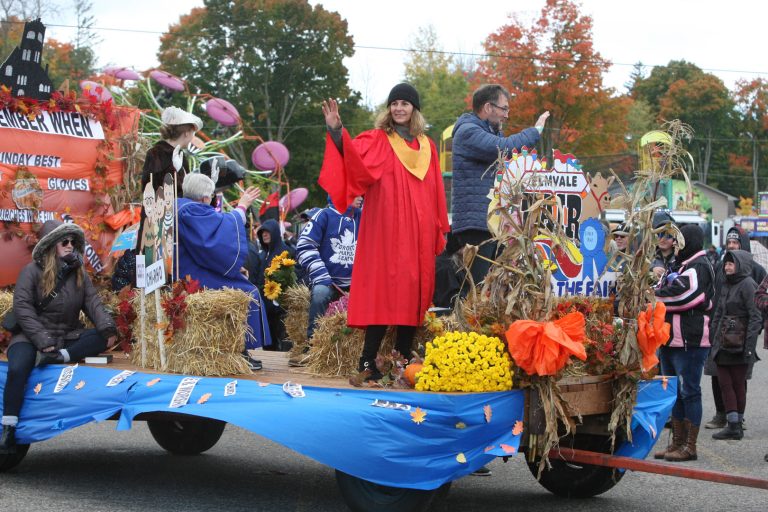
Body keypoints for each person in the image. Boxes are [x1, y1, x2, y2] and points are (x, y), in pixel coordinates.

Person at [319, 83, 450, 380]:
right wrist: (337, 132)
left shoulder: (427, 146)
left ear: (414, 110)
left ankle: (400, 363)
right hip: (385, 230)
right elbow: (351, 157)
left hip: (418, 233)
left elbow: (436, 191)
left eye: (405, 103)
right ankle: (368, 363)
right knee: (382, 291)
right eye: (394, 103)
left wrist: (438, 226)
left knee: (413, 294)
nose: (399, 108)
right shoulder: (379, 139)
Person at [0, 220, 116, 454]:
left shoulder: (79, 272)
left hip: (66, 338)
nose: (70, 245)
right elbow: (23, 309)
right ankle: (8, 427)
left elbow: (93, 303)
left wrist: (108, 328)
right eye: (65, 241)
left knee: (100, 338)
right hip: (31, 337)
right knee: (17, 368)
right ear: (52, 244)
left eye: (73, 241)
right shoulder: (31, 272)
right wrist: (44, 342)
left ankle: (60, 357)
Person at [450, 84, 549, 287]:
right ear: (488, 107)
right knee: (478, 288)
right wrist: (535, 130)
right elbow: (505, 149)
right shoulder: (468, 132)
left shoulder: (486, 133)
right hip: (477, 225)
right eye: (504, 108)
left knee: (489, 288)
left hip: (489, 224)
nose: (507, 115)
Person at [176, 173, 271, 370]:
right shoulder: (192, 210)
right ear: (204, 198)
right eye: (210, 197)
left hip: (189, 267)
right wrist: (242, 207)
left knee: (241, 280)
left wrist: (235, 266)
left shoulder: (178, 206)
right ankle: (239, 351)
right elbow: (213, 240)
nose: (210, 202)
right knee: (248, 293)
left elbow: (205, 246)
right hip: (193, 275)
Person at [653, 224, 715, 462]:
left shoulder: (700, 265)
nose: (676, 244)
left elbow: (684, 297)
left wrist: (655, 298)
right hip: (670, 339)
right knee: (674, 392)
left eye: (679, 240)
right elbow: (663, 288)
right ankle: (676, 442)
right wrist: (660, 292)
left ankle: (690, 446)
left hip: (691, 340)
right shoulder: (681, 265)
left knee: (690, 392)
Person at [704, 226, 766, 430]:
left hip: (741, 336)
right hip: (721, 333)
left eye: (735, 243)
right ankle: (722, 414)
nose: (731, 246)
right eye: (729, 243)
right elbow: (716, 299)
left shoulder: (755, 272)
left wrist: (751, 335)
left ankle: (737, 418)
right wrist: (713, 330)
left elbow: (757, 307)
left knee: (738, 379)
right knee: (717, 375)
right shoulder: (721, 267)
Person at [293, 196, 362, 361]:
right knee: (320, 293)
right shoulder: (324, 215)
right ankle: (313, 346)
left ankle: (364, 354)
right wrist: (321, 275)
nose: (360, 197)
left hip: (357, 284)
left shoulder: (365, 216)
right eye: (355, 193)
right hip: (327, 281)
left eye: (362, 193)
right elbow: (304, 246)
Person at [135, 107, 203, 260]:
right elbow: (149, 186)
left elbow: (185, 191)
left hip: (178, 219)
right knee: (154, 261)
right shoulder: (155, 153)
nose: (192, 137)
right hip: (156, 219)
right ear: (186, 132)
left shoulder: (181, 156)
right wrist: (173, 171)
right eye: (192, 133)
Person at [251, 218, 296, 352]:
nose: (264, 234)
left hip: (280, 309)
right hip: (266, 307)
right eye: (262, 232)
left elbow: (292, 278)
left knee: (283, 342)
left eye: (268, 232)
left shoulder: (286, 252)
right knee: (268, 343)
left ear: (275, 233)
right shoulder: (264, 254)